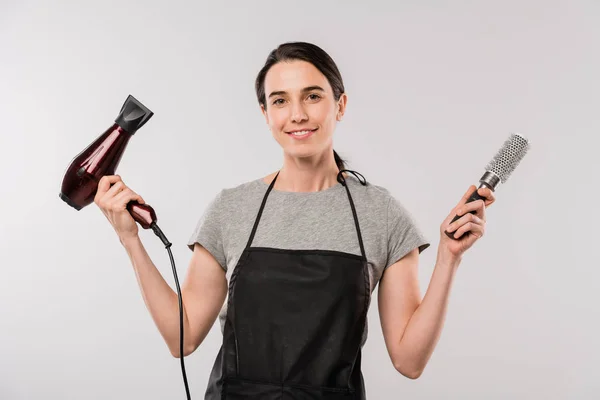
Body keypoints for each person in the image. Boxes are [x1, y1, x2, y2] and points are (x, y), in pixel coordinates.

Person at [94, 41, 496, 399]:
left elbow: (409, 362)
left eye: (313, 96)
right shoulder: (231, 208)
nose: (298, 114)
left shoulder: (381, 214)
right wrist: (130, 240)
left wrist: (449, 257)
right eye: (281, 100)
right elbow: (181, 338)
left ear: (340, 105)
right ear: (266, 114)